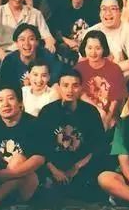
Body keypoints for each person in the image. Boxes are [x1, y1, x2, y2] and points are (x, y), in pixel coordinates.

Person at [37, 69, 105, 201]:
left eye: (75, 85)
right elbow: (40, 146)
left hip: (81, 167)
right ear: (59, 87)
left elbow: (98, 145)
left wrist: (77, 167)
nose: (70, 90)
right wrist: (54, 170)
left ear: (81, 88)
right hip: (53, 168)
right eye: (65, 85)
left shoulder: (90, 112)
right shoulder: (47, 112)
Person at [75, 31, 126, 131]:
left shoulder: (114, 69)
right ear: (84, 48)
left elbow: (116, 100)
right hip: (85, 114)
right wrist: (99, 111)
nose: (93, 53)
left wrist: (107, 118)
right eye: (89, 48)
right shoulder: (79, 68)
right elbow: (79, 93)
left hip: (110, 114)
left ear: (104, 49)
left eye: (97, 48)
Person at [84, 0, 129, 79]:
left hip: (119, 73)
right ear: (99, 12)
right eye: (104, 9)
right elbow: (82, 59)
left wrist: (107, 70)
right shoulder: (91, 31)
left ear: (121, 11)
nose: (108, 13)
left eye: (113, 9)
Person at [0, 24, 64, 90]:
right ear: (16, 43)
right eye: (22, 39)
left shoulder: (47, 56)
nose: (27, 44)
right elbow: (1, 86)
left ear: (37, 42)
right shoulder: (9, 60)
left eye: (31, 39)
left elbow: (58, 79)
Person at [50, 0, 100, 66]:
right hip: (68, 46)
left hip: (90, 45)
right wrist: (67, 41)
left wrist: (84, 45)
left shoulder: (93, 5)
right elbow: (52, 28)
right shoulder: (61, 7)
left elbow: (99, 29)